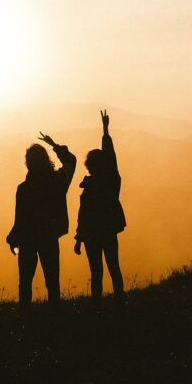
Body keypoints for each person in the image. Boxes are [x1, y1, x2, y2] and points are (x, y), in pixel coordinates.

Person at [6, 132, 76, 309]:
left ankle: (25, 316)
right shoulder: (58, 181)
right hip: (49, 236)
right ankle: (55, 316)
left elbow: (20, 218)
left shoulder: (23, 188)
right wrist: (55, 145)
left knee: (25, 282)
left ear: (28, 163)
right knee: (52, 280)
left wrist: (13, 238)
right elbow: (71, 162)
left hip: (28, 239)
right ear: (46, 160)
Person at [73, 110, 126, 304]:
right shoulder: (111, 181)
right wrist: (105, 131)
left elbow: (83, 215)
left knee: (97, 271)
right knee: (113, 268)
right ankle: (119, 302)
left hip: (92, 234)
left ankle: (98, 305)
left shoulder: (98, 183)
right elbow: (111, 158)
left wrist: (79, 238)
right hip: (107, 230)